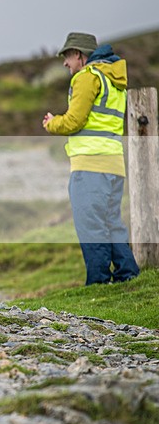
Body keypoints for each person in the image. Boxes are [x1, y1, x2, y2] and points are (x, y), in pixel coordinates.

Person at [42, 32, 139, 286]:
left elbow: (75, 121)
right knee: (112, 223)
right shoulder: (115, 81)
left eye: (67, 56)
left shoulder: (87, 77)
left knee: (91, 226)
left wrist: (52, 124)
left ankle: (97, 282)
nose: (65, 63)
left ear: (79, 55)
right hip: (114, 165)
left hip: (90, 166)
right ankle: (128, 276)